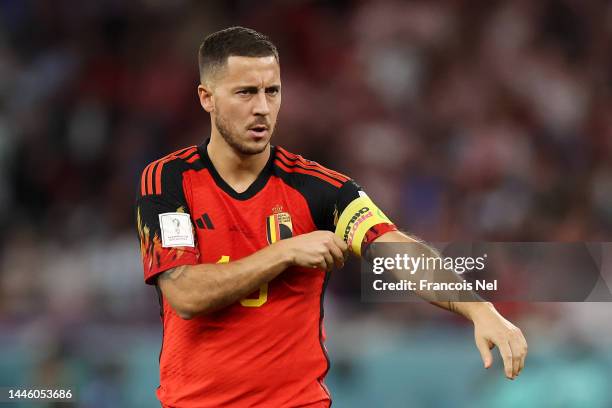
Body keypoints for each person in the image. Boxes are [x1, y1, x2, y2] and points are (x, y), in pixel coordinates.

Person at [135, 26, 527, 408]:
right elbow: (184, 294)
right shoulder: (169, 181)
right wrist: (284, 252)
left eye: (272, 92)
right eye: (245, 93)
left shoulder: (320, 188)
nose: (262, 107)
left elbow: (393, 247)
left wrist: (476, 307)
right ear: (207, 98)